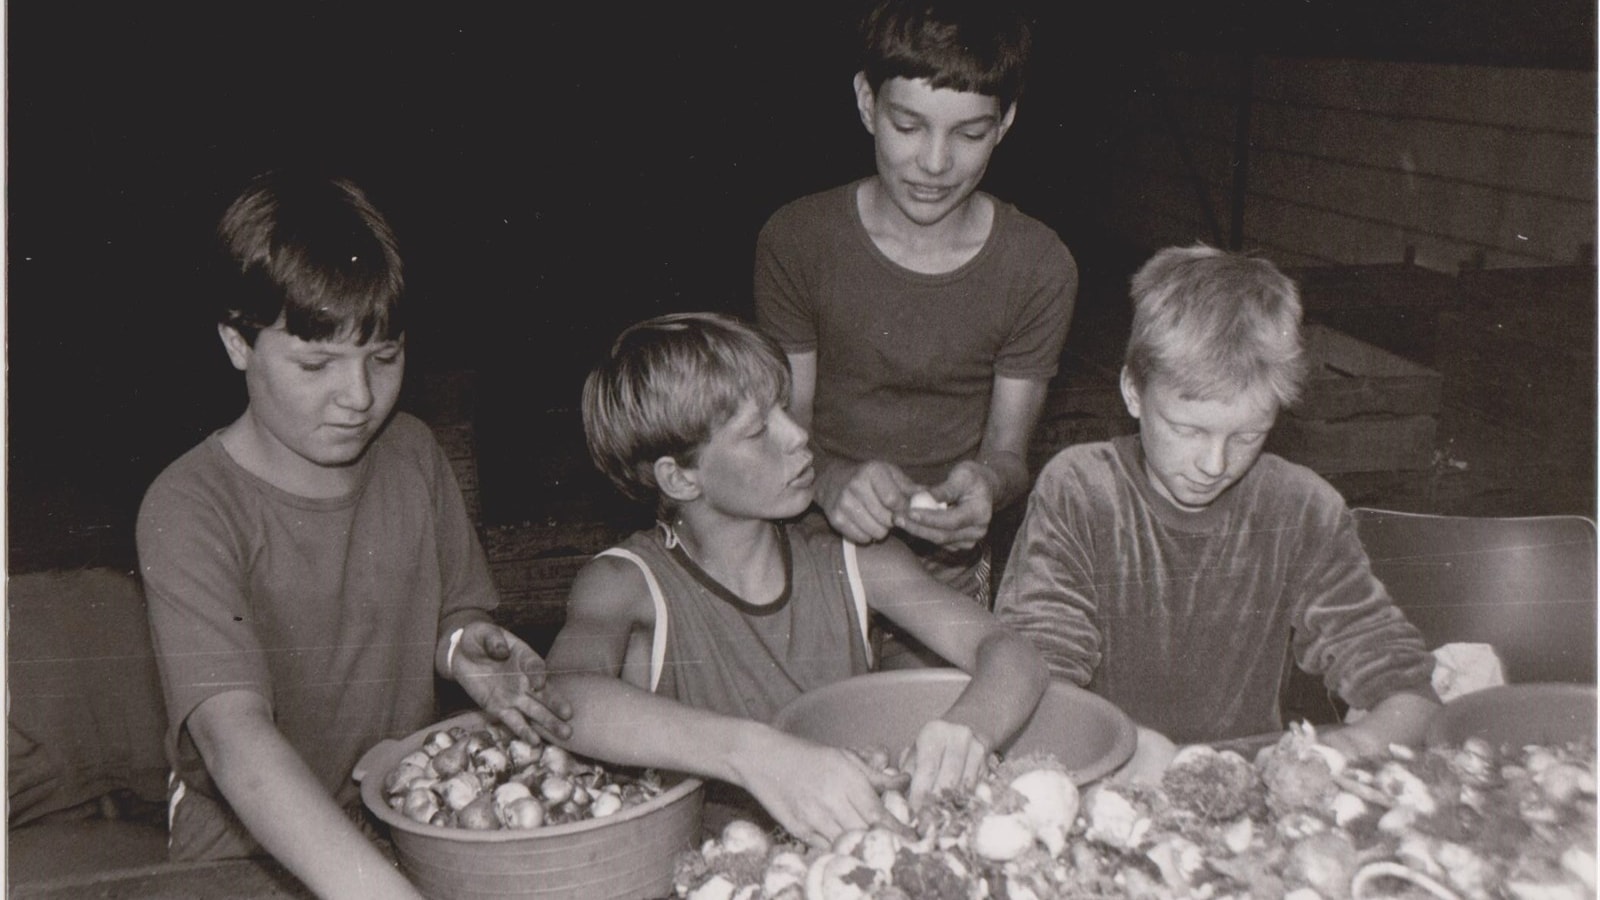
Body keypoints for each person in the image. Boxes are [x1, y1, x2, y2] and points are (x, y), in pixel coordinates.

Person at [136, 170, 572, 898]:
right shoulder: (189, 505)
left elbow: (454, 610)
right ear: (237, 343)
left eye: (385, 356)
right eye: (316, 363)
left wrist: (463, 647)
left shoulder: (414, 455)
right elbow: (233, 738)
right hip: (244, 847)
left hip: (403, 815)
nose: (360, 396)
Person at [544, 312, 1048, 848]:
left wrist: (967, 728)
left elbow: (1013, 652)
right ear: (681, 477)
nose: (798, 435)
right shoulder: (626, 582)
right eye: (758, 429)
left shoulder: (855, 560)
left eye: (784, 409)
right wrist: (757, 754)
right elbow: (564, 696)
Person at [993, 244, 1440, 763]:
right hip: (1098, 761)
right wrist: (1126, 749)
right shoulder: (1080, 491)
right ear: (1133, 391)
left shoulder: (1302, 509)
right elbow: (1035, 673)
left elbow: (1405, 688)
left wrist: (1352, 744)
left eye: (1248, 436)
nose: (1214, 463)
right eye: (1187, 430)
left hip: (1244, 772)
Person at [753, 0, 1078, 635]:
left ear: (1006, 122)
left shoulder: (1040, 266)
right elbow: (782, 428)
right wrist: (832, 481)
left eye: (970, 134)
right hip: (803, 557)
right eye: (908, 125)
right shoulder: (796, 241)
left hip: (944, 577)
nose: (934, 163)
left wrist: (987, 485)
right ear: (866, 102)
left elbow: (1008, 453)